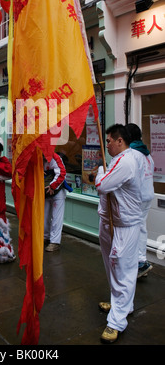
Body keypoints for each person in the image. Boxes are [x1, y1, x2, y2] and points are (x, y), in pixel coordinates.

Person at [95, 124, 143, 343]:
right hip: (109, 222)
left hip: (124, 225)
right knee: (112, 267)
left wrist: (99, 173)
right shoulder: (116, 160)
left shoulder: (127, 161)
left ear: (120, 141)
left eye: (109, 141)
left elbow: (103, 185)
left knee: (122, 269)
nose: (107, 145)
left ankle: (116, 322)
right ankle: (121, 305)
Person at [125, 123, 155, 278]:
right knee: (141, 227)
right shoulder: (146, 153)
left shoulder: (132, 154)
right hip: (148, 194)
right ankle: (141, 261)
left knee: (133, 230)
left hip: (137, 198)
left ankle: (135, 263)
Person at [44, 153, 66, 252]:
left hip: (57, 192)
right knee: (44, 217)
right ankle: (45, 237)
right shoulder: (36, 158)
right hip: (44, 192)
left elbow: (62, 173)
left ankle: (55, 242)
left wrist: (52, 186)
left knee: (57, 218)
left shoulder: (55, 157)